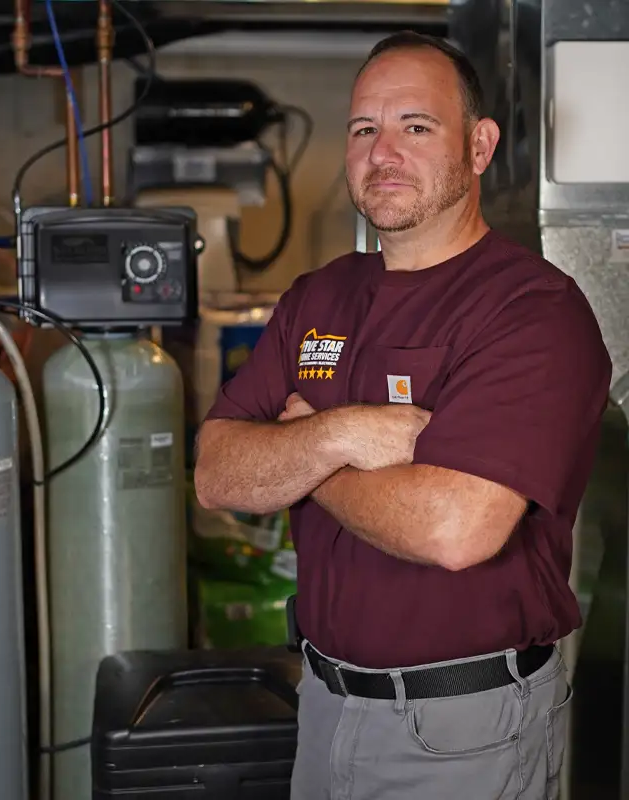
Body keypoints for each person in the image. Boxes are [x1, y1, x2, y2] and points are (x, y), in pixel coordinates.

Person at [193, 31, 611, 800]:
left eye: (415, 126)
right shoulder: (317, 296)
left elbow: (456, 529)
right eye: (363, 129)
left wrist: (302, 458)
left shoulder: (532, 311)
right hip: (321, 704)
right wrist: (343, 434)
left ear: (479, 146)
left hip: (465, 728)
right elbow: (217, 474)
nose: (382, 152)